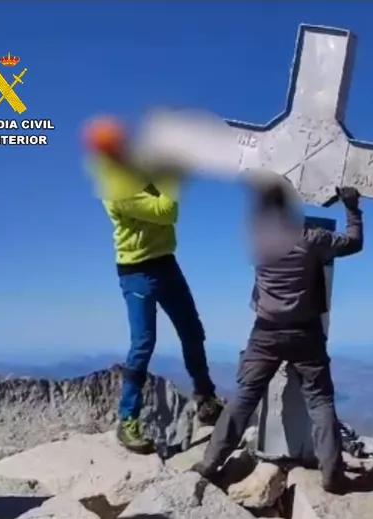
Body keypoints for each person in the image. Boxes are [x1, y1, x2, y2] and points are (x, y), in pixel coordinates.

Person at [193, 180, 364, 494]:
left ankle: (211, 462)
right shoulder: (311, 238)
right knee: (320, 401)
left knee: (244, 398)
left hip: (266, 332)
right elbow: (354, 243)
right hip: (306, 333)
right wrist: (352, 210)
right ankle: (332, 473)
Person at [83, 116, 223, 454]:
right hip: (136, 271)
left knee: (192, 329)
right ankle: (127, 419)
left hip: (164, 263)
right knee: (143, 343)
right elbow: (166, 209)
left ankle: (205, 397)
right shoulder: (116, 191)